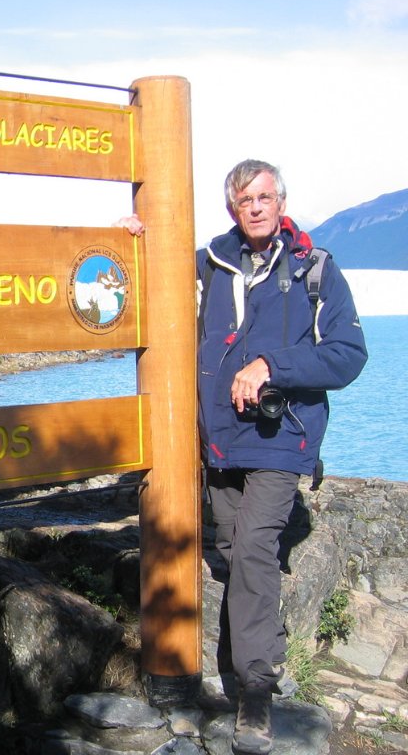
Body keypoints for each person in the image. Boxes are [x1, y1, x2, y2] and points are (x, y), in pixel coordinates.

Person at [118, 159, 367, 755]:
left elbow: (348, 354)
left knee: (254, 548)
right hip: (222, 440)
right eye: (242, 200)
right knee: (232, 555)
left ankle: (255, 691)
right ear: (232, 208)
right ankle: (244, 667)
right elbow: (157, 286)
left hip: (284, 437)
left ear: (280, 200)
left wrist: (272, 366)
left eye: (262, 197)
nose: (253, 208)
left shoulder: (316, 270)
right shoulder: (210, 263)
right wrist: (137, 239)